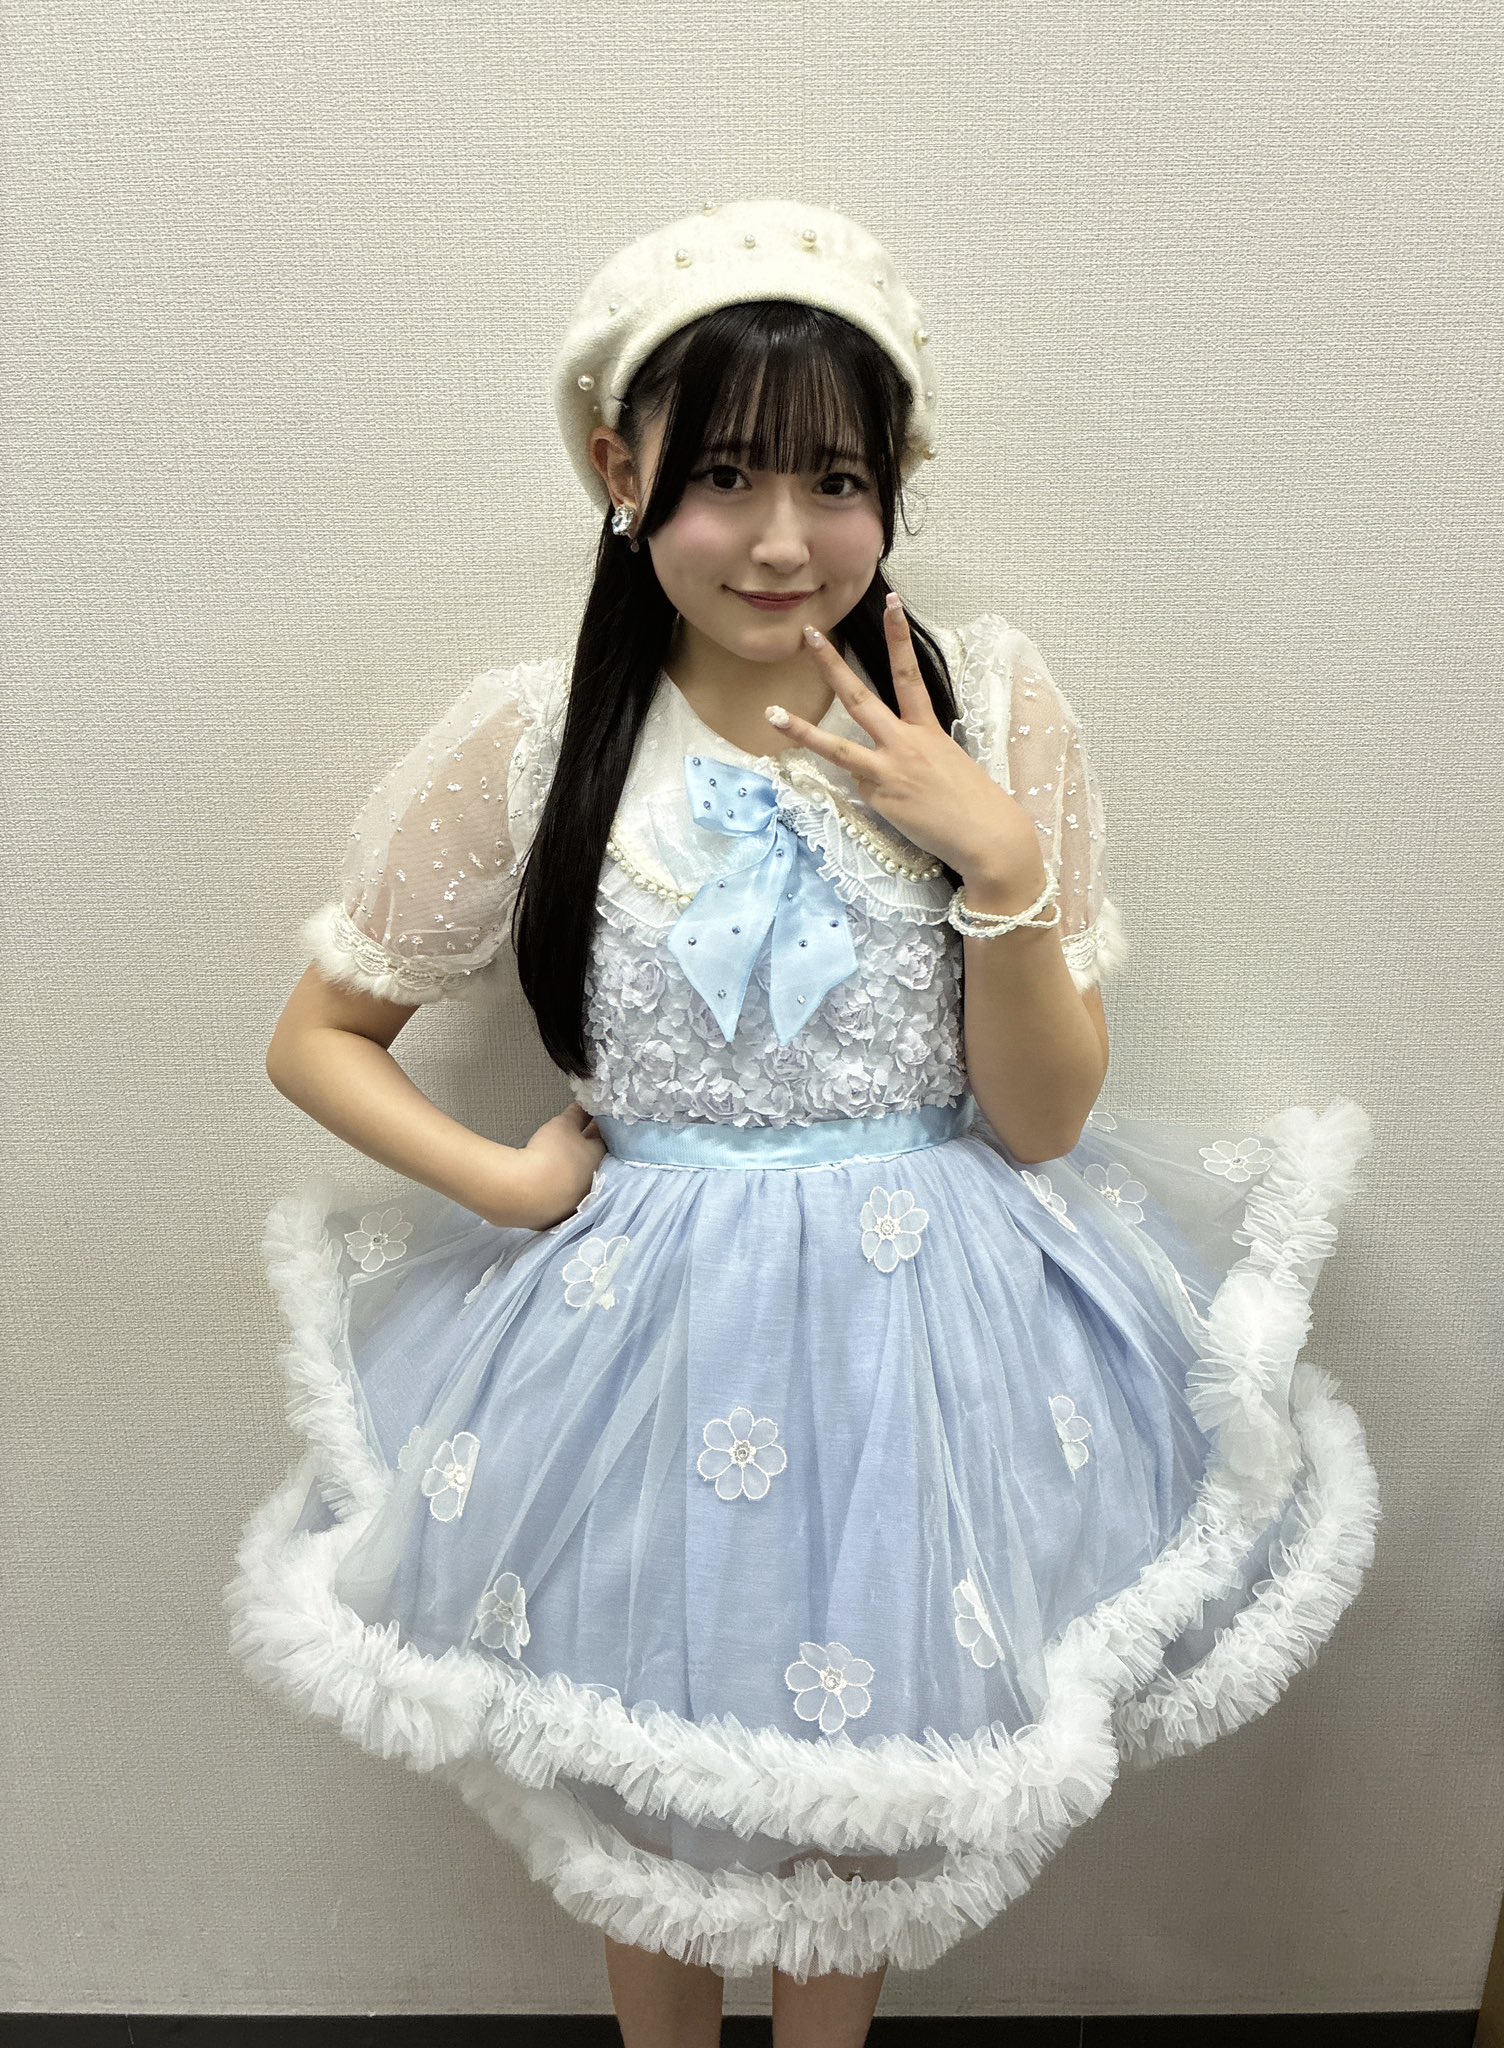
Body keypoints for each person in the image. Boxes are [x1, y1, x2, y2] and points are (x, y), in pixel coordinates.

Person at [223, 198, 1381, 2046]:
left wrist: (993, 856)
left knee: (870, 1770)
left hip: (924, 1326)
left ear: (895, 482)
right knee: (654, 1754)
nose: (783, 539)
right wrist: (505, 1179)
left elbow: (1046, 1120)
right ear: (622, 472)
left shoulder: (993, 703)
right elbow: (321, 1036)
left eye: (835, 480)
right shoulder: (538, 738)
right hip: (635, 1339)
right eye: (726, 476)